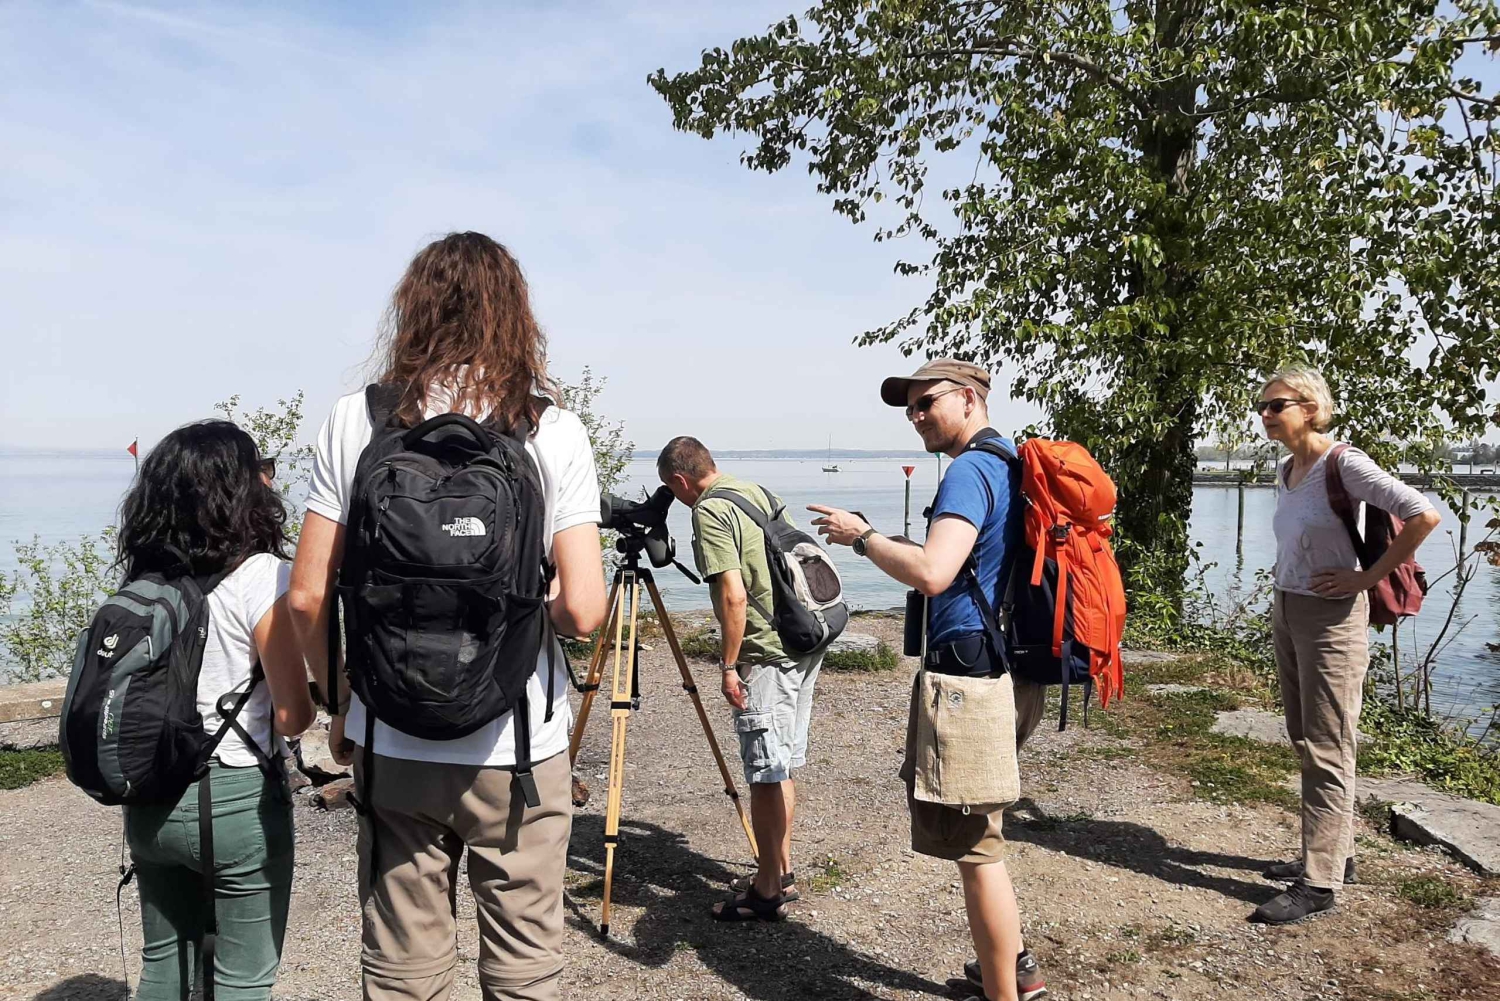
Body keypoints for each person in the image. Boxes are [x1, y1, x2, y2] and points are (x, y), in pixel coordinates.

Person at [287, 232, 607, 1001]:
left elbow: (306, 595)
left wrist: (339, 702)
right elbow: (585, 608)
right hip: (519, 743)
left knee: (403, 965)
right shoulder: (549, 428)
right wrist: (523, 613)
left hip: (391, 734)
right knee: (524, 963)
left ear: (413, 309)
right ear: (515, 316)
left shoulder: (357, 420)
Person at [808, 358, 1048, 1001]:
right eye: (909, 409)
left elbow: (936, 572)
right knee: (981, 835)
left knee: (977, 850)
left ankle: (1007, 993)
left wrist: (863, 539)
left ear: (969, 399)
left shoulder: (970, 469)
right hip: (1006, 664)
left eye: (927, 403)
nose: (916, 418)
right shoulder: (1007, 460)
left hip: (970, 676)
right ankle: (1014, 968)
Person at [118, 420, 315, 1001]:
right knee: (242, 977)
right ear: (245, 491)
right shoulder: (262, 576)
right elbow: (291, 716)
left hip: (149, 797)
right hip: (234, 803)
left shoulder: (147, 579)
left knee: (164, 966)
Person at [1253, 366, 1439, 924]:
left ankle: (1319, 885)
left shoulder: (1345, 462)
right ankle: (1336, 854)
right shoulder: (1288, 469)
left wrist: (1366, 577)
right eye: (1261, 406)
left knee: (1328, 746)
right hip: (1288, 610)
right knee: (1303, 735)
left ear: (1309, 407)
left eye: (1275, 405)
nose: (1265, 415)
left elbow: (1422, 514)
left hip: (1332, 619)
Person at [657, 436, 823, 922]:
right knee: (783, 764)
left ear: (681, 480)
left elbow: (733, 596)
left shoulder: (708, 511)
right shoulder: (753, 491)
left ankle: (768, 889)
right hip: (801, 639)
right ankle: (779, 867)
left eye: (674, 490)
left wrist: (729, 665)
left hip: (766, 653)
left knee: (765, 774)